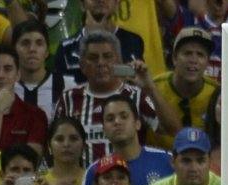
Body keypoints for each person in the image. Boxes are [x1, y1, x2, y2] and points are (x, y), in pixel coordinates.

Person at [55, 34, 163, 163]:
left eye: (107, 56)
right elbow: (54, 142)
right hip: (84, 181)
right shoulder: (69, 99)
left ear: (118, 62)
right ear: (82, 65)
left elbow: (171, 129)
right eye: (93, 58)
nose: (101, 63)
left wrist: (151, 88)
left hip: (130, 178)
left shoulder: (137, 95)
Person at [78, 94, 174, 185]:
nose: (117, 122)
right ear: (104, 130)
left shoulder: (168, 160)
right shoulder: (95, 170)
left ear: (137, 124)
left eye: (124, 116)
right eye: (110, 119)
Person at [148, 28, 219, 150]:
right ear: (174, 58)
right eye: (187, 53)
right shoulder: (154, 87)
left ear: (207, 63)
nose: (193, 60)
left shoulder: (217, 94)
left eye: (200, 55)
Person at [0, 46, 49, 152]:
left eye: (8, 69)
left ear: (18, 75)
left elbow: (30, 162)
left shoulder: (36, 115)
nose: (1, 75)